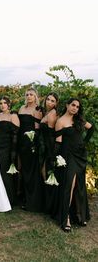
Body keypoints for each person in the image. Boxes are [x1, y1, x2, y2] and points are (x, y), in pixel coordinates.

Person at [55, 98, 94, 232]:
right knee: (69, 186)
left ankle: (80, 215)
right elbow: (58, 142)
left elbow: (91, 128)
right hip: (68, 155)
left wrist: (84, 143)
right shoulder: (60, 121)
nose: (75, 108)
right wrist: (58, 158)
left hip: (80, 155)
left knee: (80, 185)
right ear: (67, 105)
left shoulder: (79, 120)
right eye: (73, 105)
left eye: (77, 107)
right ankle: (65, 218)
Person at [17, 87, 43, 212]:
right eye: (27, 94)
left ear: (35, 96)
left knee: (31, 171)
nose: (28, 96)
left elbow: (37, 129)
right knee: (22, 170)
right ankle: (23, 197)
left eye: (31, 94)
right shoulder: (22, 108)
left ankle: (32, 201)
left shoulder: (37, 110)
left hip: (31, 143)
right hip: (20, 142)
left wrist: (33, 143)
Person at [0, 96, 19, 205]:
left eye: (5, 103)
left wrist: (13, 152)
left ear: (9, 104)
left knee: (5, 172)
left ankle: (9, 199)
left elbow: (15, 136)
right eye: (0, 103)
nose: (2, 105)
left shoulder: (13, 116)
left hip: (7, 148)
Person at [40, 92, 59, 215]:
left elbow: (52, 135)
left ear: (56, 103)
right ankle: (48, 204)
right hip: (45, 147)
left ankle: (52, 207)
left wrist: (52, 154)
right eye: (48, 99)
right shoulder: (47, 112)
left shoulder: (52, 114)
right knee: (44, 173)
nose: (49, 102)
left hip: (49, 148)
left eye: (52, 101)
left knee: (47, 174)